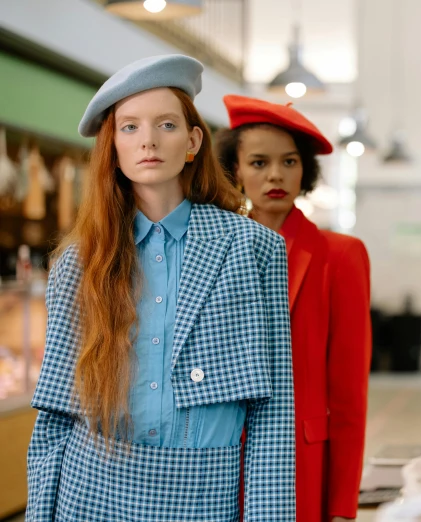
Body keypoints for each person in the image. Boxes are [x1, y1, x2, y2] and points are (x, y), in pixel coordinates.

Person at [26, 55, 295, 521]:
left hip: (204, 495)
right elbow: (56, 411)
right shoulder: (79, 261)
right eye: (129, 128)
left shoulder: (254, 248)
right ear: (112, 147)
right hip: (90, 491)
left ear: (193, 141)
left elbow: (274, 410)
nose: (147, 140)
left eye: (166, 124)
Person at [217, 95, 372, 522]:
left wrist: (343, 504)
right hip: (218, 460)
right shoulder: (215, 252)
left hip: (301, 462)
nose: (275, 176)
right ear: (236, 170)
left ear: (305, 171)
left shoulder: (340, 256)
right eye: (259, 162)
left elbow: (348, 390)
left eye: (289, 162)